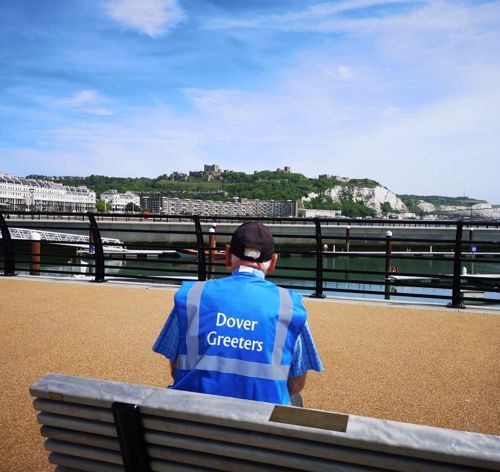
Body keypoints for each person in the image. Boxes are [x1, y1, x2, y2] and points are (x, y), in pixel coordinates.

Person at [153, 221, 323, 405]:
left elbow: (175, 368)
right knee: (294, 399)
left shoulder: (192, 296)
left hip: (192, 418)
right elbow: (296, 383)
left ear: (227, 255)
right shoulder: (289, 306)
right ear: (273, 262)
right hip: (261, 427)